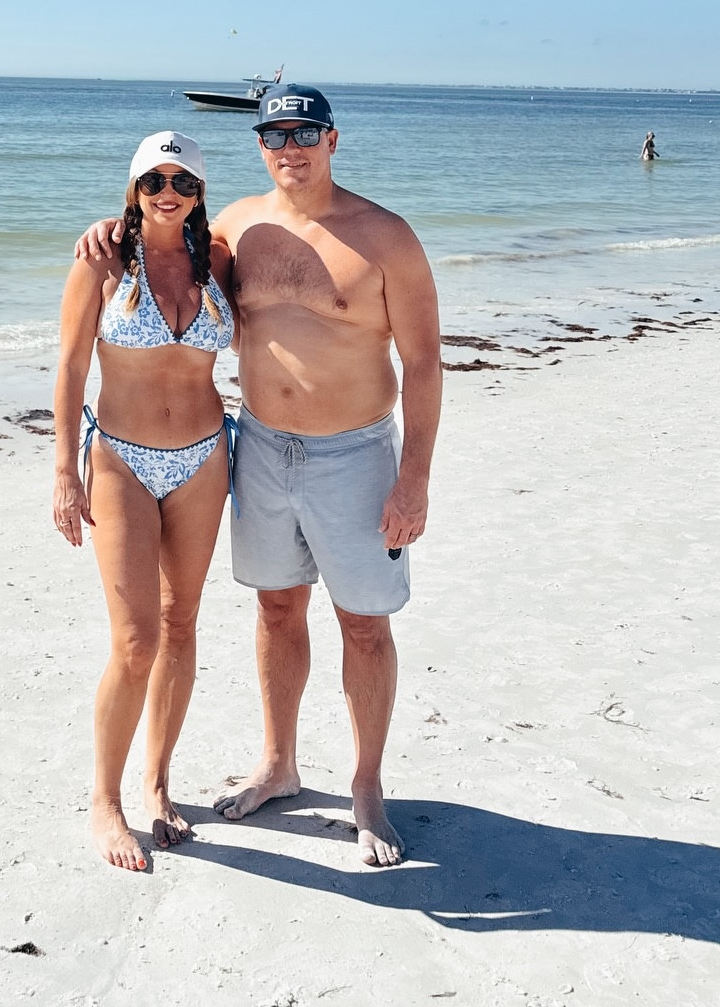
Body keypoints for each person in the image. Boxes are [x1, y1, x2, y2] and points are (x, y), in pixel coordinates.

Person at [77, 83, 442, 868]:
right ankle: (280, 763)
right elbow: (158, 248)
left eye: (305, 132)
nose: (290, 147)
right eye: (275, 134)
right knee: (277, 612)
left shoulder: (386, 237)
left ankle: (367, 788)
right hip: (260, 448)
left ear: (333, 139)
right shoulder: (235, 227)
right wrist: (110, 231)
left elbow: (423, 362)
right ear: (259, 147)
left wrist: (413, 480)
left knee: (364, 626)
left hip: (353, 454)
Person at [55, 131, 235, 871]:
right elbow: (68, 368)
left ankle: (158, 785)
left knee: (181, 623)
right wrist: (64, 472)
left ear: (199, 193)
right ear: (133, 189)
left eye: (184, 181)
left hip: (203, 459)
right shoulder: (100, 261)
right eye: (155, 179)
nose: (170, 192)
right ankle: (105, 802)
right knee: (135, 643)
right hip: (122, 461)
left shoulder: (218, 258)